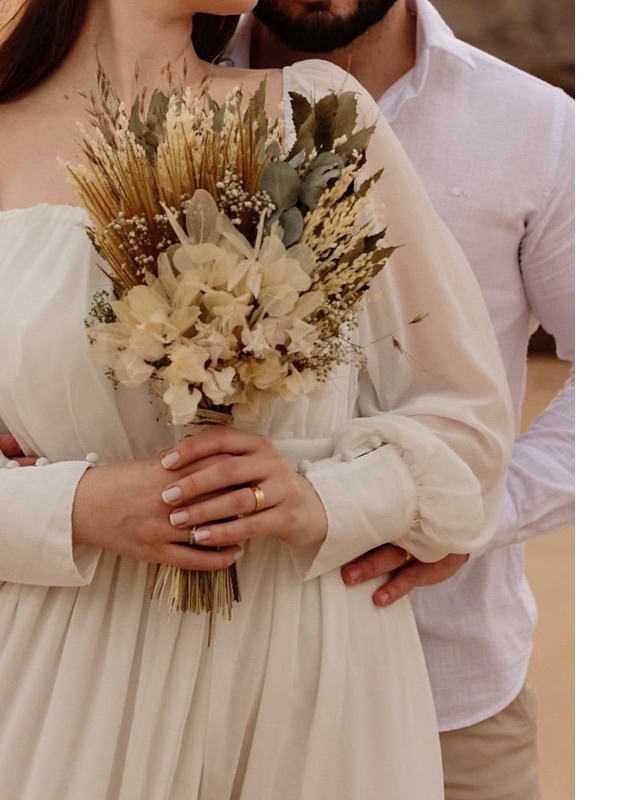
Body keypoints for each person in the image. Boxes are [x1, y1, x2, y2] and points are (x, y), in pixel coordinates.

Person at [0, 1, 513, 797]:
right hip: (56, 698)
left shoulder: (318, 118)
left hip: (303, 687)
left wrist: (324, 499)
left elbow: (467, 423)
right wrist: (76, 507)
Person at [221, 1, 575, 797]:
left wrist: (474, 513)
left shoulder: (538, 128)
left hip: (447, 703)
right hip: (202, 699)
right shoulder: (158, 91)